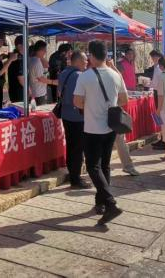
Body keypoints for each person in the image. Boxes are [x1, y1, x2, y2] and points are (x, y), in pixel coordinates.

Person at [74, 40, 127, 225]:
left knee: (93, 167)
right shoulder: (115, 75)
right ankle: (101, 203)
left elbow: (77, 102)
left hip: (92, 128)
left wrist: (91, 104)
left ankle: (110, 203)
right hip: (110, 127)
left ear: (91, 55)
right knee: (104, 165)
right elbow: (124, 100)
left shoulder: (85, 76)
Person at [58, 50, 91, 189]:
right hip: (78, 116)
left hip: (66, 115)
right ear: (77, 61)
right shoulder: (79, 75)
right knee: (78, 148)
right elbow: (80, 98)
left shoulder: (64, 73)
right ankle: (76, 179)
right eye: (84, 60)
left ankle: (73, 174)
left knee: (71, 146)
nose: (87, 62)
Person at [29, 40, 56, 106]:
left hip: (35, 91)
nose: (45, 52)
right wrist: (53, 82)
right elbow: (41, 78)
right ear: (40, 50)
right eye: (44, 50)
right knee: (40, 110)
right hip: (39, 93)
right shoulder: (37, 61)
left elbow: (47, 65)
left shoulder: (32, 59)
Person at [7, 36, 25, 103]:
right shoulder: (19, 58)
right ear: (19, 46)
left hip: (13, 89)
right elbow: (20, 77)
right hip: (19, 91)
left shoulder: (13, 55)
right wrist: (28, 90)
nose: (27, 47)